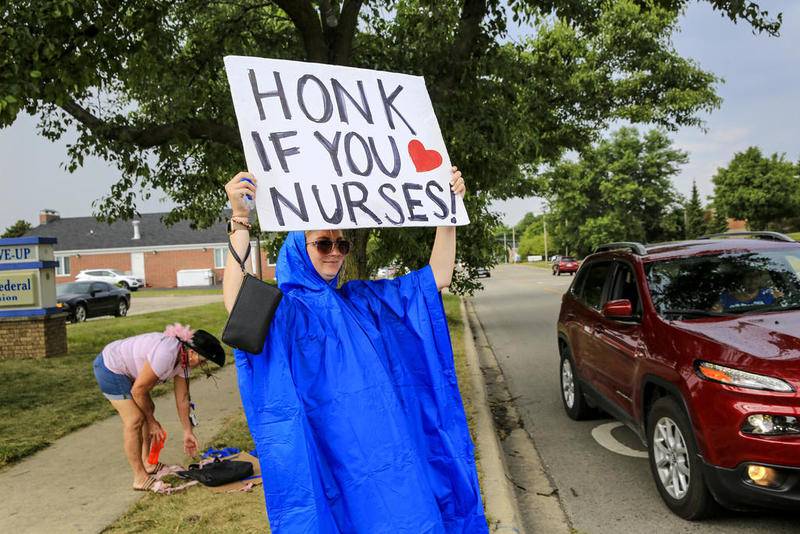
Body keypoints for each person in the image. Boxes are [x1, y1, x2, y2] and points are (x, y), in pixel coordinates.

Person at [223, 169, 488, 533]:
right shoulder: (287, 313)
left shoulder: (363, 300)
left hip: (388, 459)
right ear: (299, 248)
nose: (335, 253)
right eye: (323, 243)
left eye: (342, 244)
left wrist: (448, 212)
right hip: (327, 459)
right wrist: (240, 220)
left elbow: (437, 276)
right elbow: (238, 303)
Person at [92, 324, 225, 491]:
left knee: (148, 408)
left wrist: (187, 432)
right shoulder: (167, 354)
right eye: (203, 360)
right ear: (192, 353)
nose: (202, 365)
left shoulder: (183, 360)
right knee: (134, 419)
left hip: (128, 374)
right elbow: (138, 390)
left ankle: (148, 463)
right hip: (109, 367)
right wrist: (152, 423)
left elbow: (183, 399)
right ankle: (140, 478)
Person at [713, 270, 783, 312]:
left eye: (756, 277)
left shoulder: (770, 294)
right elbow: (717, 313)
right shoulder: (725, 297)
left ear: (760, 280)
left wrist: (779, 298)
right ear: (741, 279)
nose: (752, 280)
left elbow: (782, 307)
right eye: (749, 277)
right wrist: (718, 312)